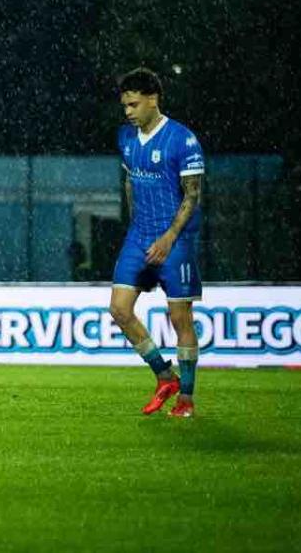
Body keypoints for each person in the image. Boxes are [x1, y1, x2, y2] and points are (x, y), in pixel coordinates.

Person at [108, 67, 205, 418]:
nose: (129, 112)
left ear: (153, 99)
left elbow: (192, 195)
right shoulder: (126, 138)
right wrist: (136, 226)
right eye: (125, 106)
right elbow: (130, 183)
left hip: (174, 238)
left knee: (180, 316)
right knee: (119, 308)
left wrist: (167, 237)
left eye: (134, 104)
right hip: (139, 234)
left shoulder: (183, 139)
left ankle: (187, 400)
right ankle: (165, 376)